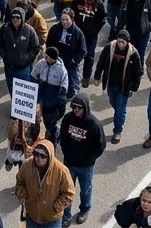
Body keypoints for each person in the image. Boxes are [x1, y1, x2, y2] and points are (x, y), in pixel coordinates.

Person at [58, 93, 107, 225]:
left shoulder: (94, 124)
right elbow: (63, 137)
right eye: (74, 107)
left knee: (85, 190)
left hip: (86, 166)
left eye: (80, 108)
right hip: (69, 163)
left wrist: (88, 158)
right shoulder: (68, 119)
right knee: (66, 190)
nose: (77, 110)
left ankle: (84, 210)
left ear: (85, 108)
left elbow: (101, 145)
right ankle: (66, 216)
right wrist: (67, 153)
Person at [15, 139, 74, 228]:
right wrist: (23, 195)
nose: (39, 159)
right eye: (36, 154)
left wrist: (56, 207)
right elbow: (19, 182)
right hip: (32, 216)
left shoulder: (61, 171)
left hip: (52, 219)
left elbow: (69, 193)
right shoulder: (26, 165)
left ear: (49, 156)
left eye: (43, 156)